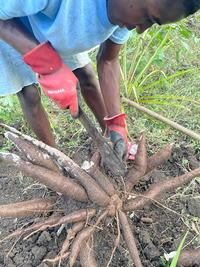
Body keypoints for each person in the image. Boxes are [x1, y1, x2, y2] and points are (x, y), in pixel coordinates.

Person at [0, 0, 199, 160]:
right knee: (30, 93)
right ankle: (56, 158)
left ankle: (110, 137)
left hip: (60, 30)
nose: (140, 30)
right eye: (147, 17)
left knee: (86, 76)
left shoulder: (127, 13)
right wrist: (45, 62)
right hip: (11, 24)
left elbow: (108, 60)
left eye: (152, 23)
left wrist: (117, 124)